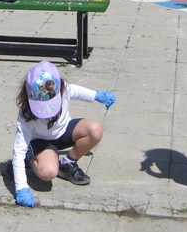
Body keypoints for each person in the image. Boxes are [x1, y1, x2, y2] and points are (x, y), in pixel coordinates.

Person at [11, 61, 116, 207]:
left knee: (95, 130)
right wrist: (21, 188)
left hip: (64, 131)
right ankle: (30, 158)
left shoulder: (64, 89)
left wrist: (98, 96)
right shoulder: (26, 113)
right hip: (42, 142)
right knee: (47, 173)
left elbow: (78, 91)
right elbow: (18, 149)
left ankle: (67, 163)